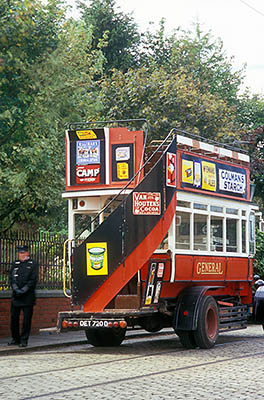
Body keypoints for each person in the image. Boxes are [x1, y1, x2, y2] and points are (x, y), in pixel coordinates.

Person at [8, 245, 38, 347]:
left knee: (26, 320)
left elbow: (33, 280)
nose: (20, 255)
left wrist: (24, 290)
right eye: (19, 253)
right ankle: (15, 338)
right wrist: (16, 289)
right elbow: (11, 278)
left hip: (27, 296)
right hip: (16, 296)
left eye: (22, 253)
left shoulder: (32, 264)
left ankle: (24, 340)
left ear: (27, 253)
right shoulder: (15, 264)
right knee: (14, 319)